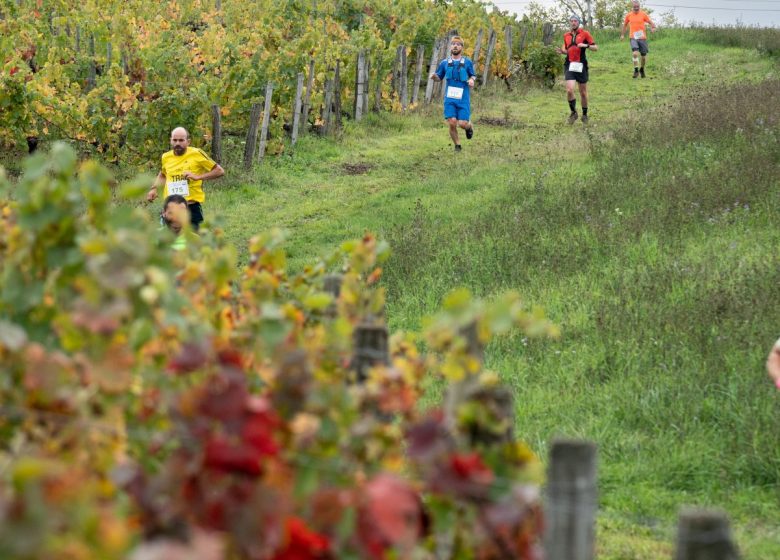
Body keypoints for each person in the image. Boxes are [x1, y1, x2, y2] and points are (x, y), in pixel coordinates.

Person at [146, 127, 224, 231]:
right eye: (175, 140)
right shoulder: (166, 157)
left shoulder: (197, 153)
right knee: (170, 242)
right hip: (170, 208)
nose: (177, 143)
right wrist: (154, 188)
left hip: (190, 207)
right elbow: (163, 174)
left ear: (188, 141)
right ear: (170, 140)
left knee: (194, 242)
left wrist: (198, 177)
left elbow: (219, 171)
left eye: (181, 140)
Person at [430, 36, 476, 152]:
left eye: (458, 44)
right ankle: (457, 146)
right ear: (450, 46)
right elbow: (439, 78)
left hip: (463, 98)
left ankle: (469, 126)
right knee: (452, 122)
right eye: (453, 44)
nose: (455, 46)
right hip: (450, 98)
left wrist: (471, 80)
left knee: (462, 123)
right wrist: (434, 77)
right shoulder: (445, 63)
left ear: (462, 47)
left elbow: (473, 75)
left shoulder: (467, 62)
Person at [557, 16, 597, 125]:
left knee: (583, 93)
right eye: (571, 21)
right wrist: (562, 51)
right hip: (569, 64)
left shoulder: (585, 34)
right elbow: (567, 50)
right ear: (569, 22)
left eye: (575, 21)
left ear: (578, 23)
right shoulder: (566, 35)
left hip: (581, 65)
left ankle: (584, 114)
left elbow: (595, 48)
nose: (573, 23)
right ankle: (573, 113)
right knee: (570, 90)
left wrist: (586, 45)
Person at [621, 1, 656, 79]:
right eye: (635, 7)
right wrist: (622, 35)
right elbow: (625, 25)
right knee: (635, 53)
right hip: (633, 37)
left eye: (637, 7)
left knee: (643, 57)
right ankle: (636, 70)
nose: (636, 8)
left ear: (639, 6)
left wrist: (653, 28)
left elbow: (651, 23)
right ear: (632, 7)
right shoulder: (629, 15)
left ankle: (642, 69)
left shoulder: (643, 14)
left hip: (642, 38)